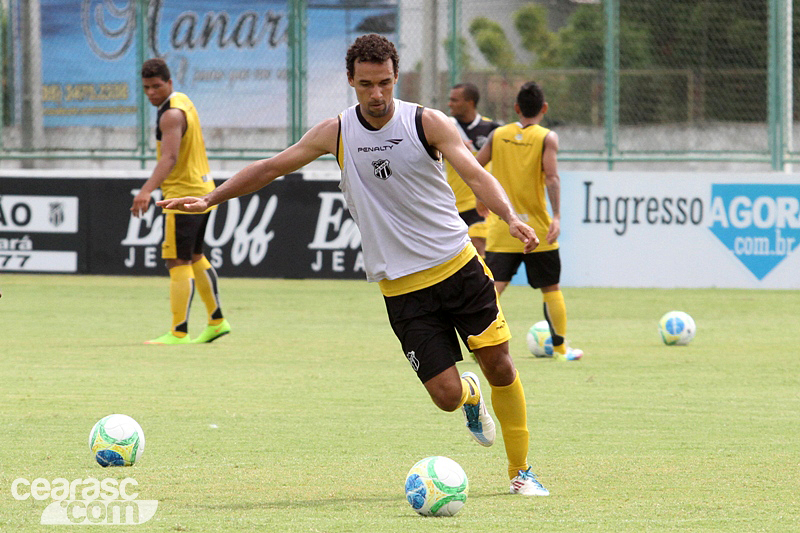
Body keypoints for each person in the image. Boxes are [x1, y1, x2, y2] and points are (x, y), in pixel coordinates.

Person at [158, 34, 550, 496]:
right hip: (402, 290)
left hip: (458, 267)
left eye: (384, 82)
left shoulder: (427, 122)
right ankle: (470, 396)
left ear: (396, 76)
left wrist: (510, 217)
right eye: (366, 84)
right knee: (446, 398)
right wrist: (211, 198)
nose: (376, 94)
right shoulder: (337, 132)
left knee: (499, 365)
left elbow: (476, 174)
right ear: (350, 80)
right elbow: (272, 167)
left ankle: (520, 472)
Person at [476, 81, 582, 362]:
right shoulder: (547, 137)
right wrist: (557, 216)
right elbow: (552, 178)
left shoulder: (498, 134)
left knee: (494, 288)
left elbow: (475, 166)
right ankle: (561, 351)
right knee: (551, 288)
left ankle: (481, 347)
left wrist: (481, 197)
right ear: (544, 108)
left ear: (516, 108)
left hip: (503, 227)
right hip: (538, 229)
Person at [133, 58, 231, 345]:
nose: (151, 92)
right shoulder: (182, 101)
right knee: (195, 256)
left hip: (182, 195)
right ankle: (217, 321)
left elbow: (170, 158)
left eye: (156, 86)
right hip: (202, 189)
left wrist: (146, 191)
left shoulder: (171, 115)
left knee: (177, 260)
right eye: (146, 88)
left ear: (169, 83)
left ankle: (179, 331)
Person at [445, 83, 502, 257]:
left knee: (478, 244)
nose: (449, 104)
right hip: (452, 204)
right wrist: (453, 145)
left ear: (469, 102)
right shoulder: (445, 128)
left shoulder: (492, 129)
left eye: (454, 100)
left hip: (480, 201)